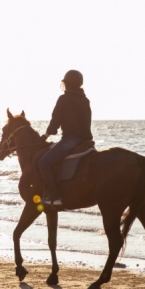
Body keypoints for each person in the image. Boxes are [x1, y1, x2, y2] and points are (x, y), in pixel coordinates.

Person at [39, 70, 93, 207]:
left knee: (43, 163)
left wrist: (46, 135)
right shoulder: (85, 100)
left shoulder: (64, 99)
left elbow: (55, 121)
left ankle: (55, 195)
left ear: (67, 84)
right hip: (86, 141)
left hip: (71, 139)